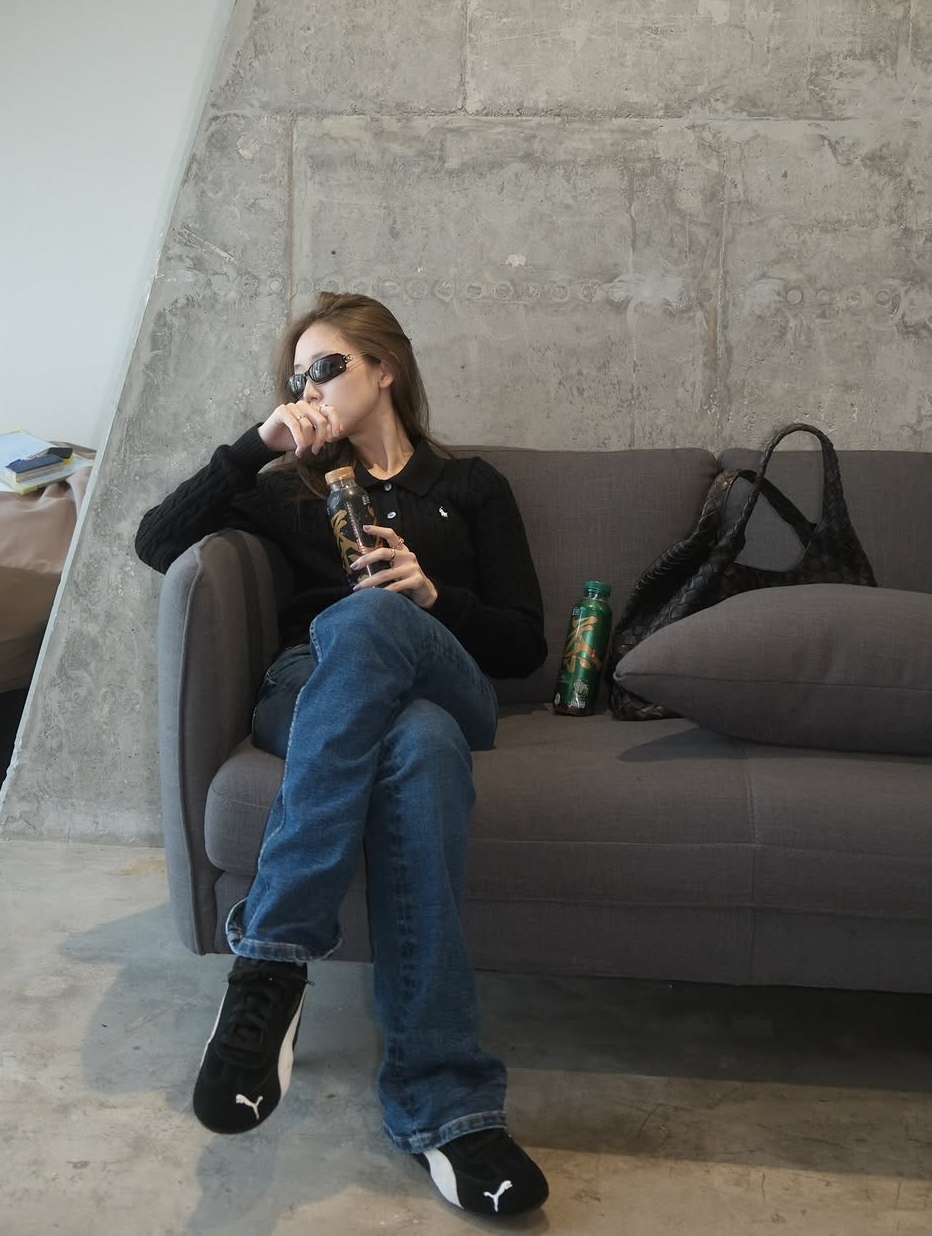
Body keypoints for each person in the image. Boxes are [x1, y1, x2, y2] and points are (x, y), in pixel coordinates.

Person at [135, 292, 550, 1218]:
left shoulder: (470, 485)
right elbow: (157, 543)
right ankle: (448, 1106)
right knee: (419, 743)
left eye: (326, 367)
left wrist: (432, 596)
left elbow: (527, 645)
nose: (308, 387)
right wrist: (257, 444)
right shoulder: (288, 488)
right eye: (295, 378)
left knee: (374, 618)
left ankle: (273, 957)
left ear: (385, 369)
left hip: (449, 673)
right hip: (315, 689)